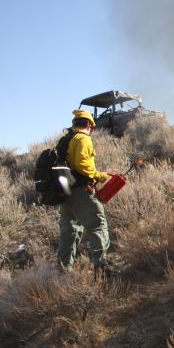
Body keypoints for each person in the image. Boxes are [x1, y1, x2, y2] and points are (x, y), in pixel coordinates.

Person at [58, 109, 115, 276]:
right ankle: (101, 268)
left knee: (69, 230)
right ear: (89, 125)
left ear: (75, 123)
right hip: (81, 189)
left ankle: (64, 271)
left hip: (65, 190)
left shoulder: (65, 139)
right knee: (98, 224)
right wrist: (100, 175)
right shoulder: (83, 138)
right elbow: (83, 164)